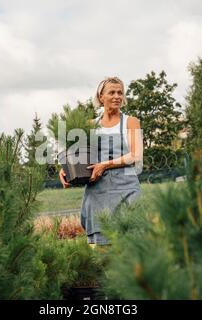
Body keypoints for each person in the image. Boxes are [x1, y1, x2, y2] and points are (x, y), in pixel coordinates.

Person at [59, 77, 143, 246]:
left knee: (131, 245)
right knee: (100, 252)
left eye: (120, 92)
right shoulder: (91, 125)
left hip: (126, 190)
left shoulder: (130, 122)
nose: (117, 96)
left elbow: (136, 155)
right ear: (101, 96)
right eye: (112, 92)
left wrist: (105, 164)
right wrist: (65, 170)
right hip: (98, 193)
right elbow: (77, 156)